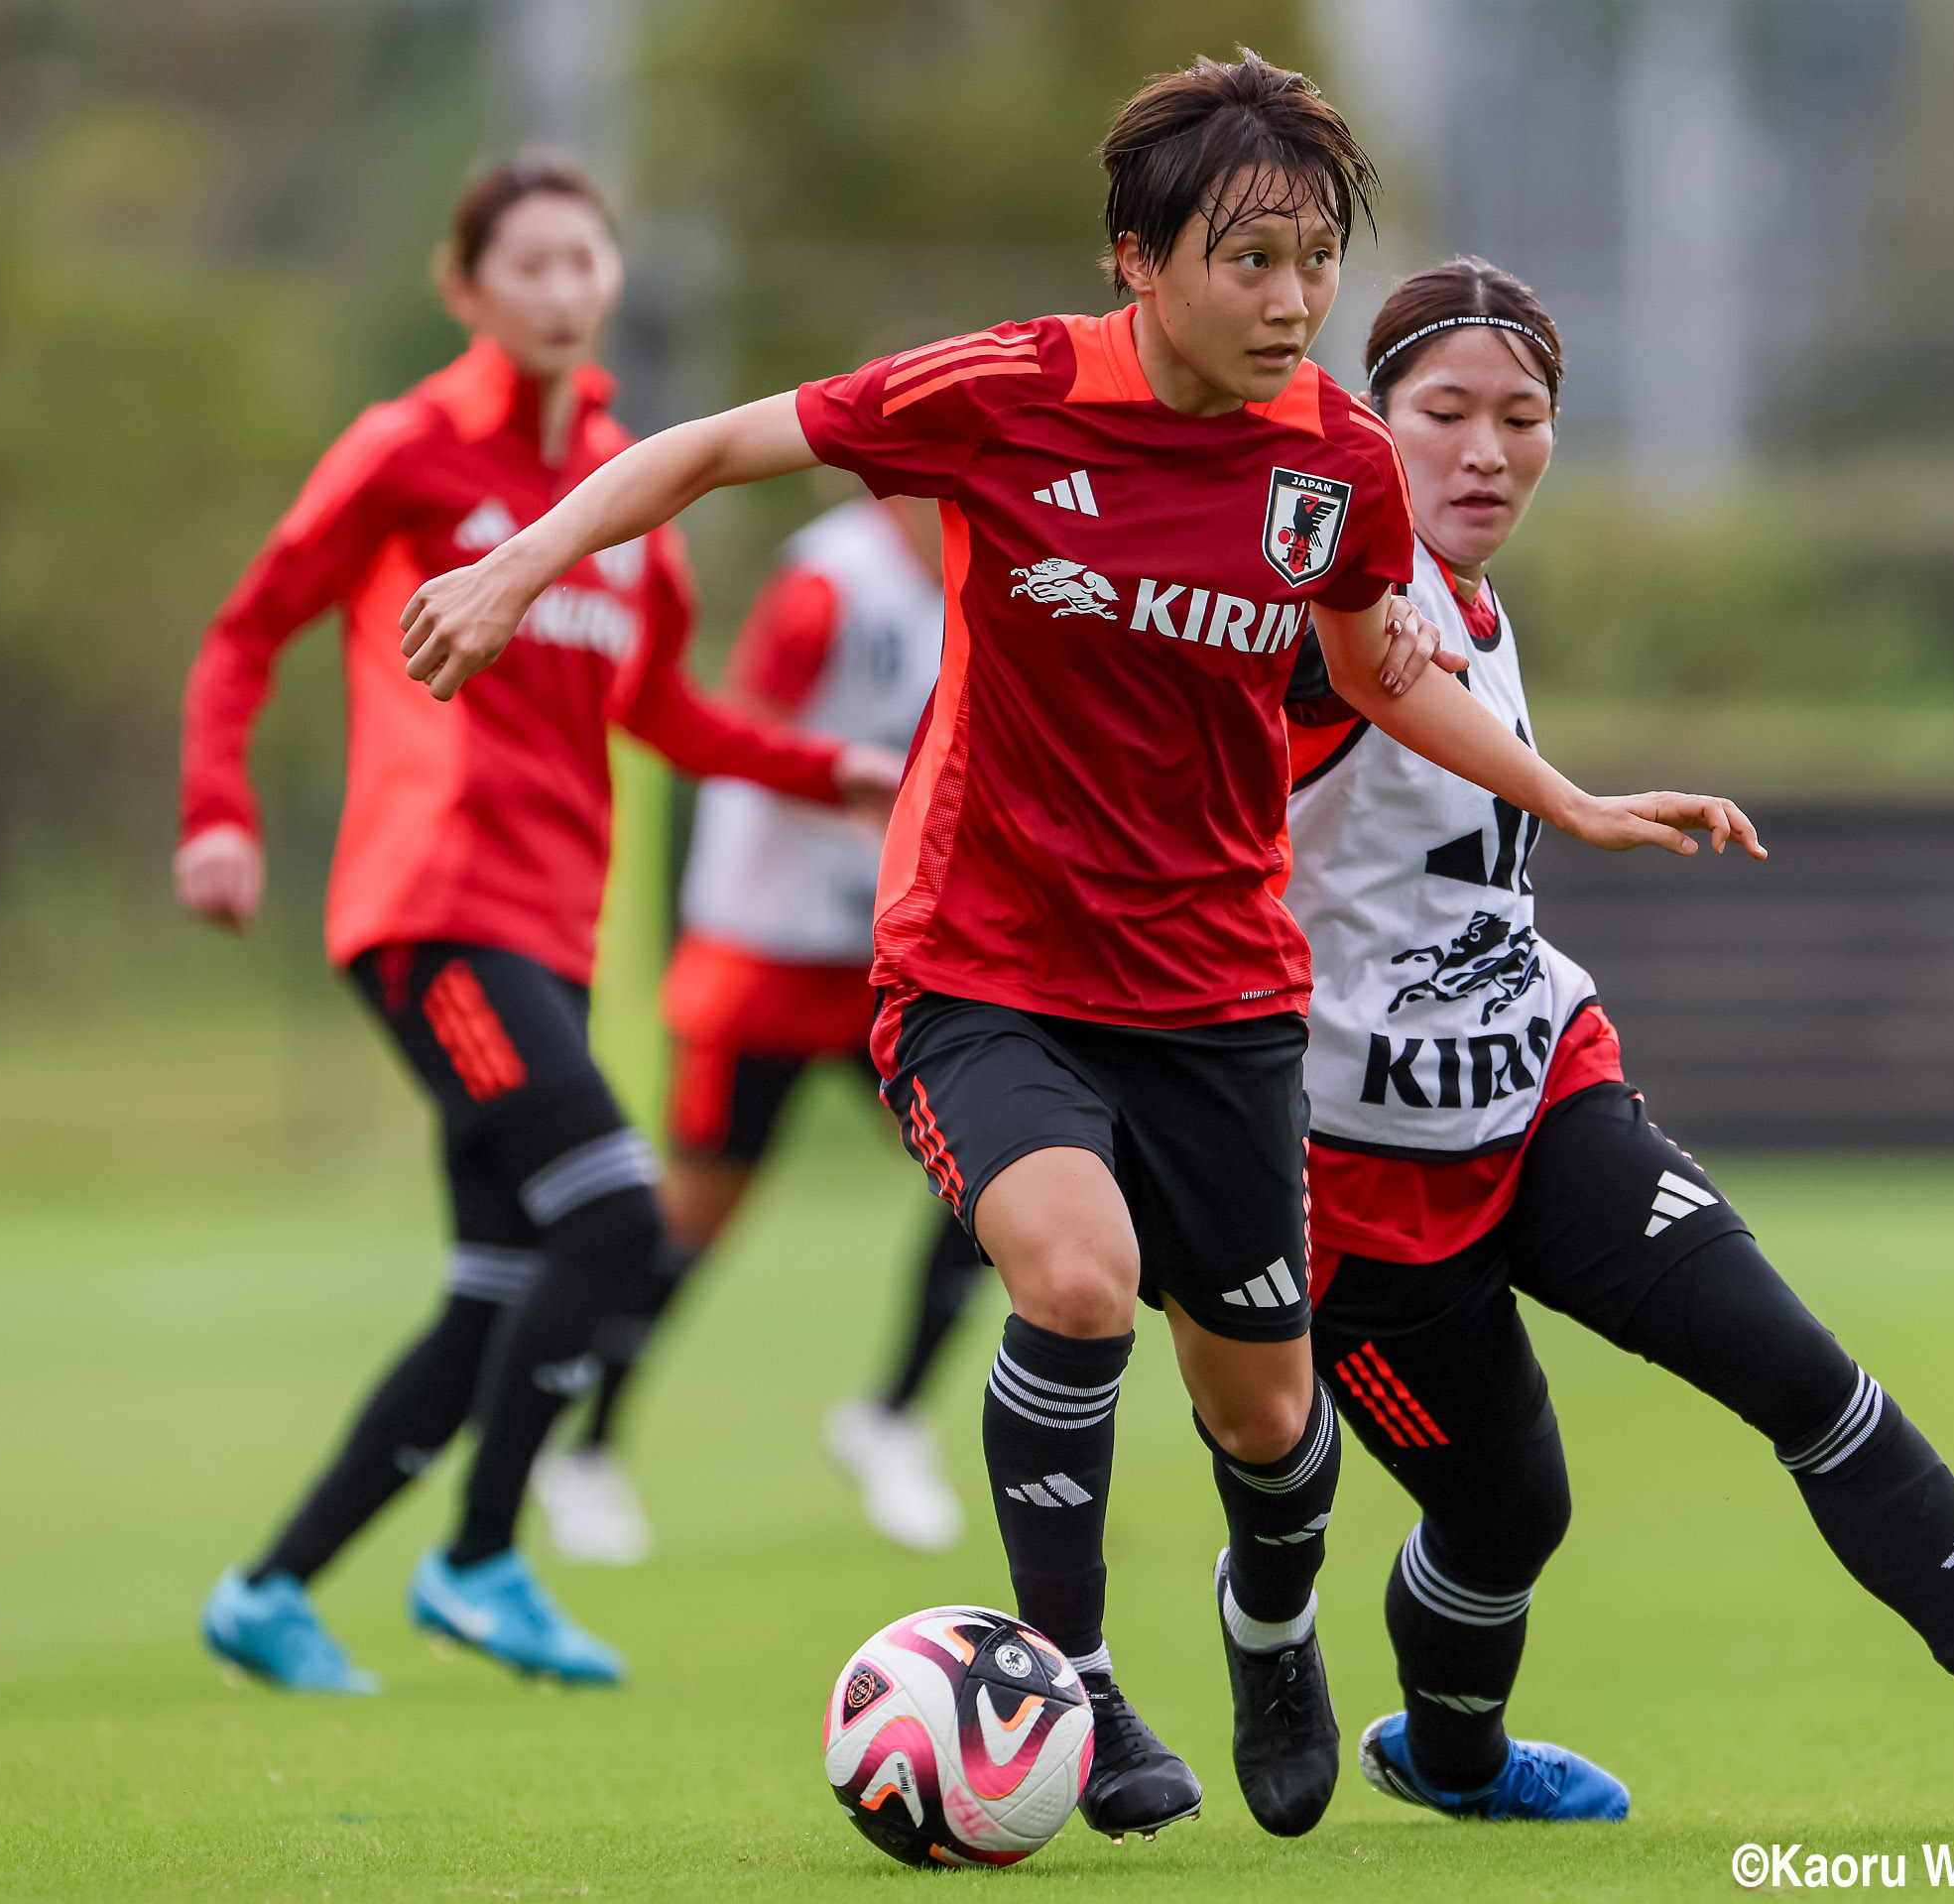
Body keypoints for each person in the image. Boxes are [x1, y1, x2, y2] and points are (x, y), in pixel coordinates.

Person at [394, 55, 1753, 1842]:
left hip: (1222, 995)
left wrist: (1564, 799)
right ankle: (1076, 1684)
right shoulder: (1010, 392)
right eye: (1247, 259)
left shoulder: (1335, 460)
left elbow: (1374, 672)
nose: (1289, 302)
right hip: (985, 964)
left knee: (1268, 1416)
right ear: (1139, 259)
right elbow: (718, 445)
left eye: (1313, 260)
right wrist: (513, 570)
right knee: (1076, 1280)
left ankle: (1271, 1631)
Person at [1282, 258, 1954, 1827]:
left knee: (1805, 1377)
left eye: (1525, 416)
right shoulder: (1318, 617)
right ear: (1372, 422)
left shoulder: (1483, 611)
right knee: (1507, 1512)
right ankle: (1452, 1762)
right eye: (1446, 413)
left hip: (1544, 1090)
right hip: (1355, 1178)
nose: (1487, 450)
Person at [177, 159, 900, 1694]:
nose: (568, 289)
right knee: (616, 1212)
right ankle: (484, 1557)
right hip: (432, 913)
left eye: (591, 260)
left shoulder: (628, 492)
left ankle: (269, 1589)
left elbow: (664, 713)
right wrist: (217, 811)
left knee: (497, 1286)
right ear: (466, 289)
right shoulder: (406, 453)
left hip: (550, 941)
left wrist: (828, 764)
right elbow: (248, 628)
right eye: (533, 264)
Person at [532, 492, 985, 1565]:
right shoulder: (829, 580)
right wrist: (850, 786)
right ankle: (584, 1452)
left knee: (997, 1184)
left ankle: (889, 1417)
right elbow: (737, 720)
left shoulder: (986, 579)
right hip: (767, 944)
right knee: (692, 1218)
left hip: (891, 951)